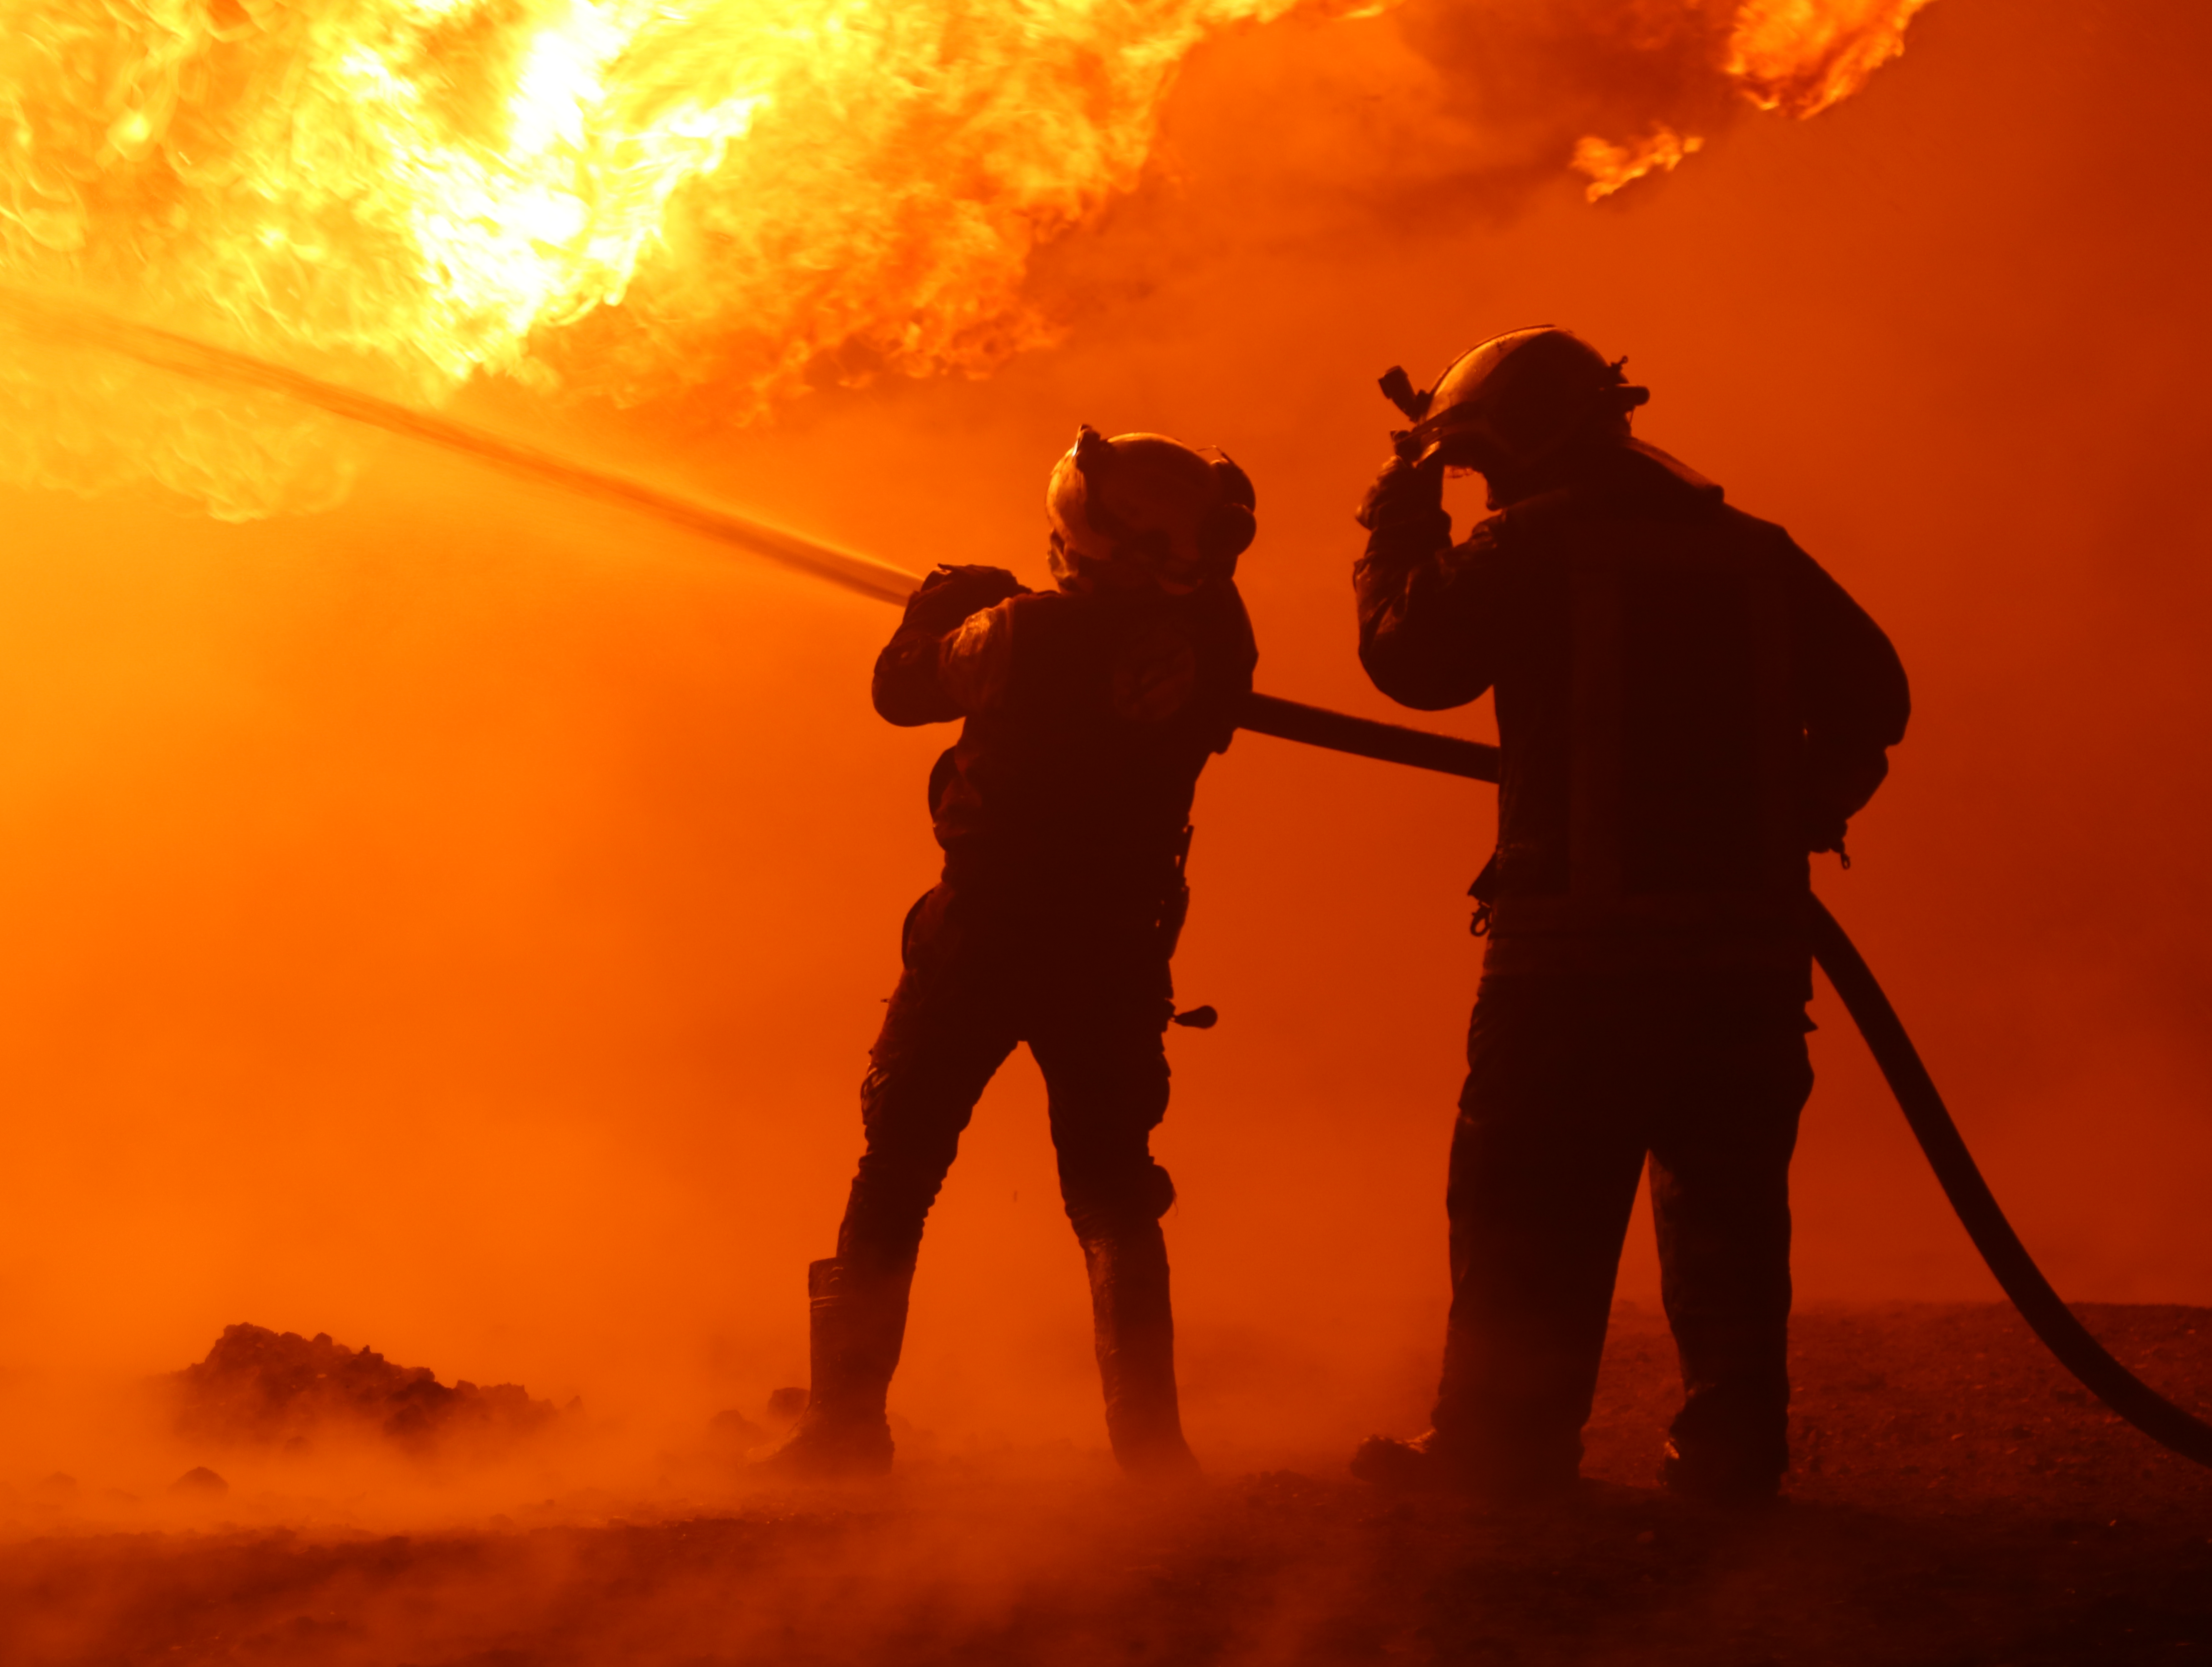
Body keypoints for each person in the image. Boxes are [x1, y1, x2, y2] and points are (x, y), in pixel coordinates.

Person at [1349, 327, 1910, 1505]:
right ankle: (1730, 1454)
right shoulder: (1755, 552)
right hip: (1747, 957)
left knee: (1526, 1206)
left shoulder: (1526, 546)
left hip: (1572, 963)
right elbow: (1876, 695)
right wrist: (1803, 804)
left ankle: (1501, 1453)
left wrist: (1398, 524)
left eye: (1478, 462)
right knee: (1728, 1210)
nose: (1481, 487)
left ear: (1522, 442)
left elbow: (1412, 661)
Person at [764, 426, 1260, 1479]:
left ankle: (844, 1427)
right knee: (1113, 1189)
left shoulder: (1019, 634)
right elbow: (1193, 611)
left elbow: (900, 688)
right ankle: (1152, 1451)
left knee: (897, 1169)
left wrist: (943, 605)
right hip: (1119, 947)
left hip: (984, 939)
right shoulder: (1217, 645)